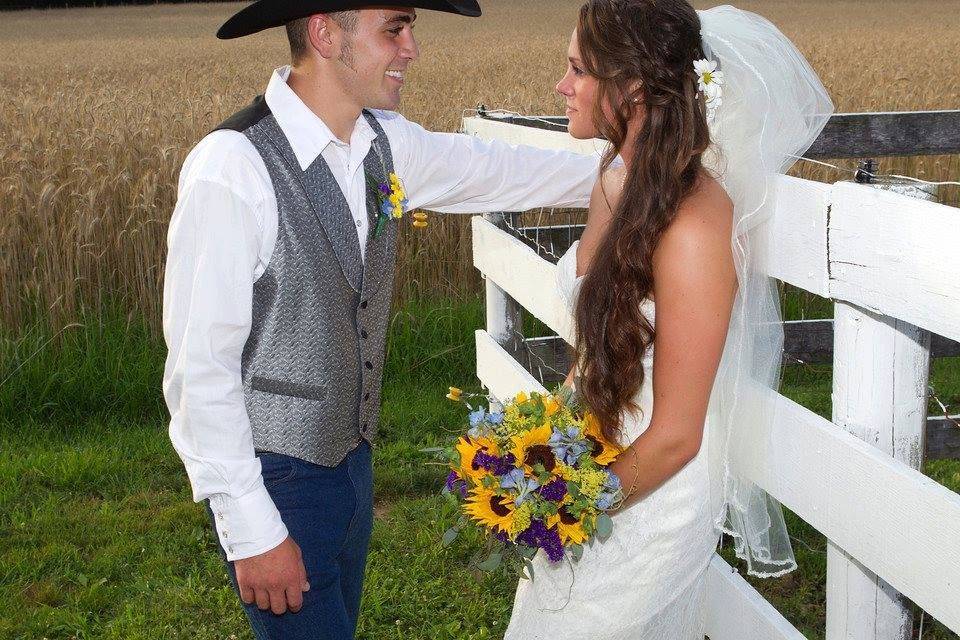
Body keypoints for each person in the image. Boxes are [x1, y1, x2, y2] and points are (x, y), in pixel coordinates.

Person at [161, 1, 605, 638]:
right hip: (275, 477)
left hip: (353, 460)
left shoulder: (381, 142)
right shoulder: (232, 166)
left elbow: (494, 172)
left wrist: (626, 172)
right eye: (393, 29)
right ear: (324, 32)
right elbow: (198, 370)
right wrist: (250, 528)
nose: (411, 49)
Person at [504, 1, 833, 638]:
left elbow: (679, 433)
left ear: (630, 86)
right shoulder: (615, 179)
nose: (561, 86)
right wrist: (541, 451)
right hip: (590, 461)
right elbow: (595, 350)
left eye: (577, 68)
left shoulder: (692, 225)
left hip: (654, 492)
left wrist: (569, 507)